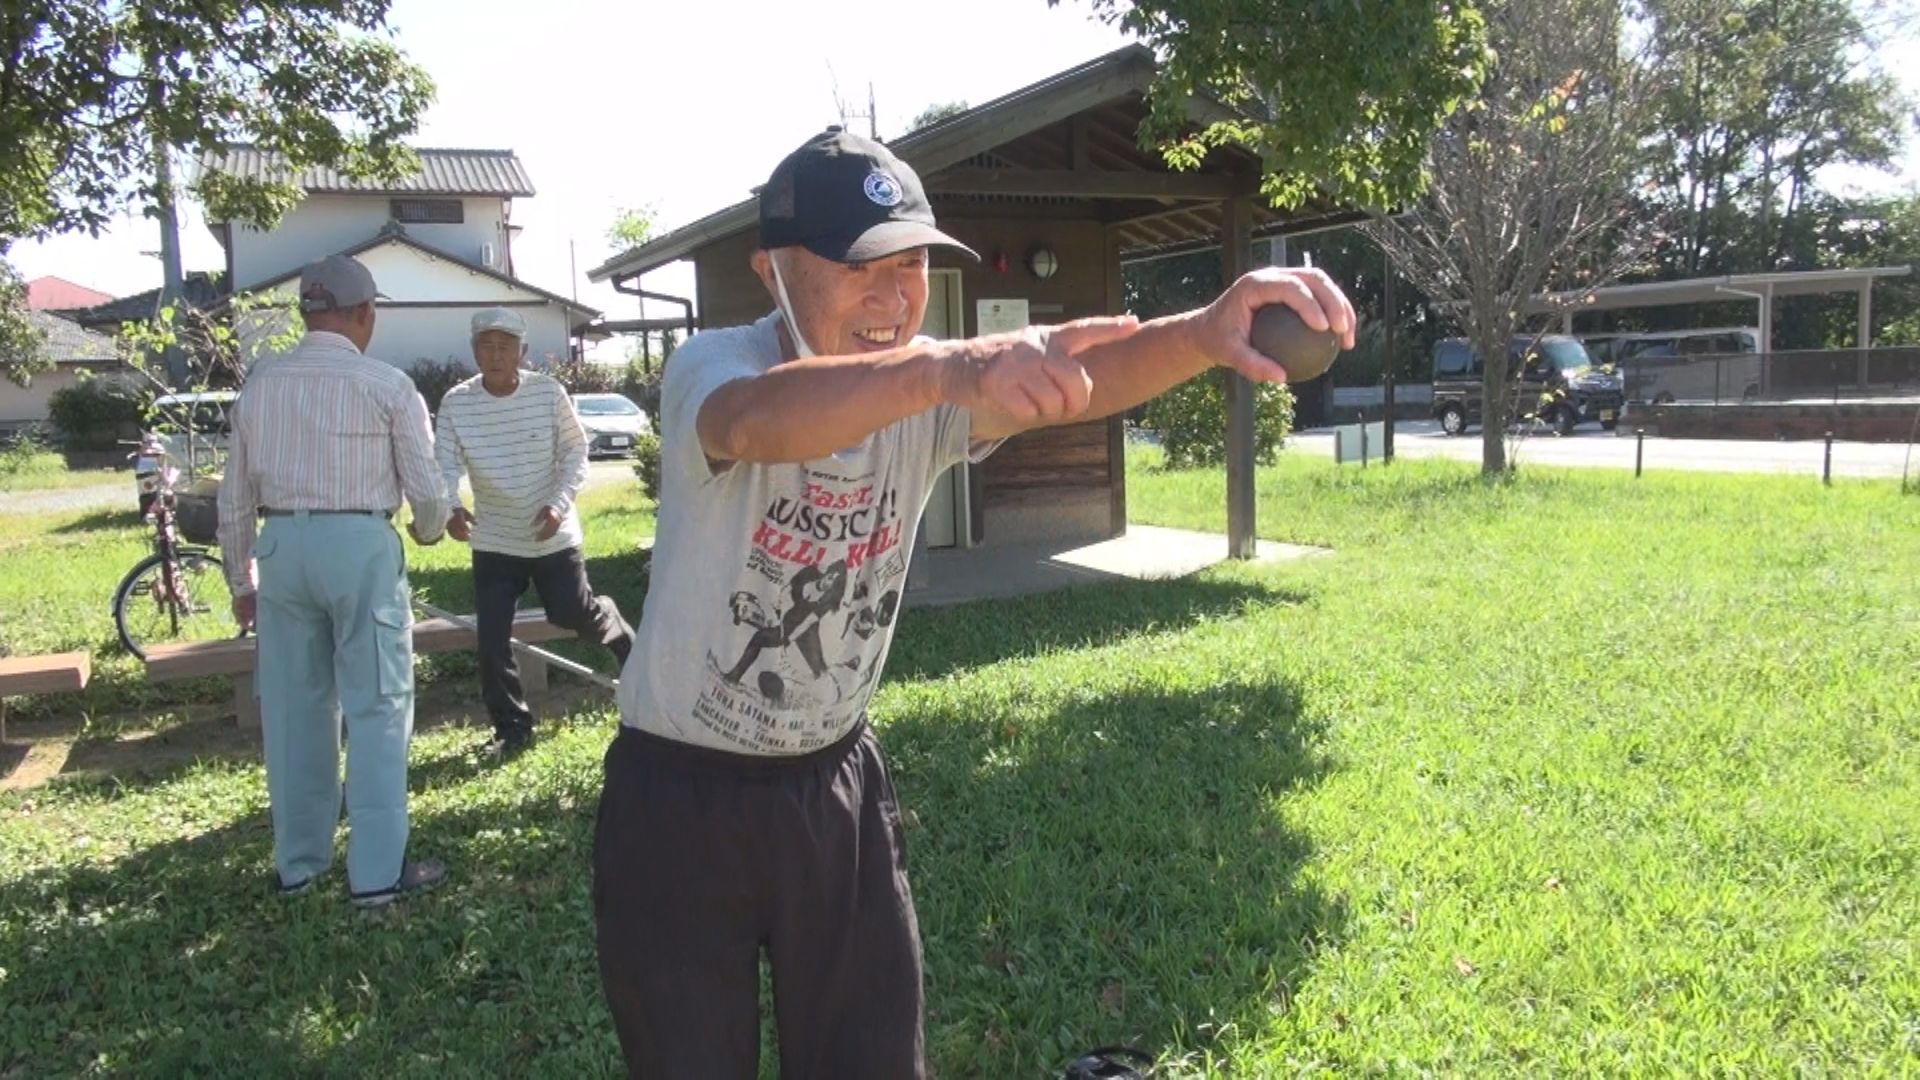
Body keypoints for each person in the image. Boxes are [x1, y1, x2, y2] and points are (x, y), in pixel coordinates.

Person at [591, 128, 1356, 1078]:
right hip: (681, 796)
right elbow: (753, 424)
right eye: (860, 266)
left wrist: (1206, 331)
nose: (895, 295)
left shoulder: (929, 379)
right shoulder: (716, 365)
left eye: (911, 262)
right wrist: (950, 368)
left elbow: (1081, 373)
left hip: (833, 786)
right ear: (773, 271)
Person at [217, 254, 453, 908]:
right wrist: (430, 531)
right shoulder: (387, 385)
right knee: (377, 708)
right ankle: (376, 875)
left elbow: (234, 496)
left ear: (305, 312)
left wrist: (241, 576)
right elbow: (428, 496)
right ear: (365, 312)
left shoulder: (261, 383)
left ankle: (299, 867)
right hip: (359, 542)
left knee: (294, 713)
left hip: (282, 546)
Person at [433, 307, 633, 758]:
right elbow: (444, 462)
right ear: (474, 350)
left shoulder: (548, 393)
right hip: (494, 539)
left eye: (505, 346)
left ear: (522, 352)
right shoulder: (457, 402)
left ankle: (613, 624)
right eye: (486, 345)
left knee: (572, 615)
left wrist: (559, 505)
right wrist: (451, 507)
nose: (496, 354)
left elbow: (576, 451)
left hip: (551, 533)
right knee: (491, 639)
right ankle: (512, 728)